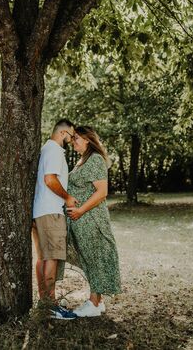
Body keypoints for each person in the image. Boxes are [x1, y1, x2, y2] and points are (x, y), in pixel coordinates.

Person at [66, 126, 121, 317]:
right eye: (73, 139)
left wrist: (80, 210)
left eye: (77, 138)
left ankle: (94, 303)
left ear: (88, 139)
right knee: (89, 260)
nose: (73, 142)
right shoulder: (82, 161)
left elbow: (102, 192)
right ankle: (98, 303)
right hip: (81, 221)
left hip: (92, 219)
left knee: (95, 259)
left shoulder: (95, 159)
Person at [32, 119, 78, 320]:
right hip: (51, 212)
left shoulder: (45, 149)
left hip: (41, 211)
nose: (72, 139)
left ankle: (45, 303)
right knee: (52, 258)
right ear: (63, 133)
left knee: (43, 257)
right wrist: (68, 197)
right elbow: (50, 179)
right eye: (71, 135)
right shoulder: (54, 151)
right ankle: (51, 306)